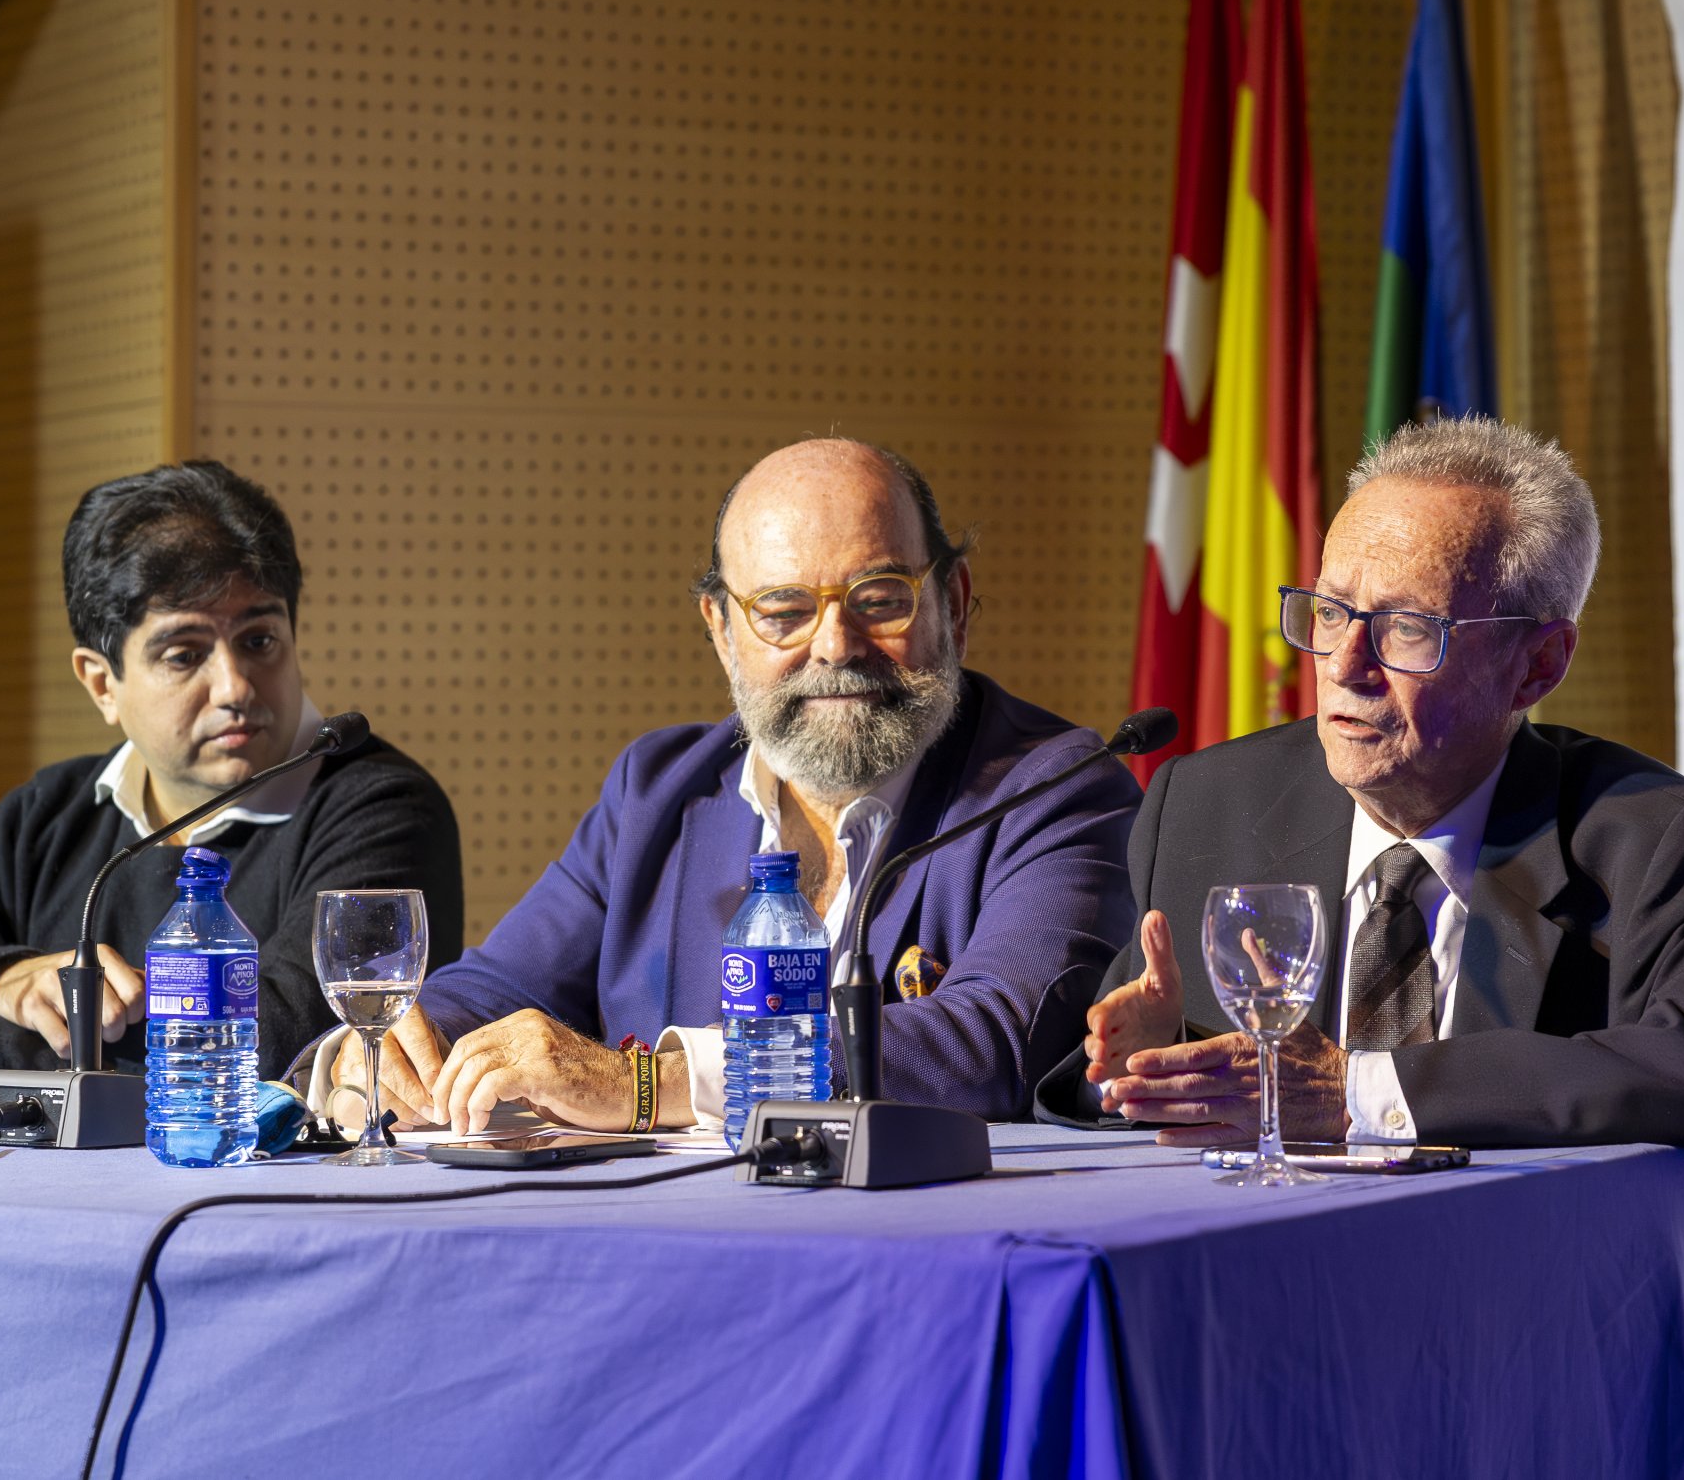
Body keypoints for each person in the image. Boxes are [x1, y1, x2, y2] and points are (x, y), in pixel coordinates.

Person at [1035, 415, 1684, 1480]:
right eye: (1326, 615)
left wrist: (1362, 1091)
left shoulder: (1648, 834)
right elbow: (1082, 1102)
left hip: (1558, 1382)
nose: (1344, 665)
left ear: (1536, 662)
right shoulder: (1207, 803)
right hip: (1260, 1371)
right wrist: (1138, 1069)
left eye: (1407, 629)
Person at [324, 438, 1138, 1133]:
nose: (835, 644)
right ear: (721, 631)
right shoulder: (656, 791)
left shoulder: (1058, 788)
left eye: (880, 599)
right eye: (783, 610)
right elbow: (496, 988)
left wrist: (651, 1085)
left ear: (953, 606)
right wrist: (377, 1058)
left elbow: (998, 1038)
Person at [0, 461, 461, 1098]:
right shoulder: (47, 815)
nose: (235, 687)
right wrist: (4, 979)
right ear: (103, 684)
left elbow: (277, 1039)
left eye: (260, 640)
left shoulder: (383, 805)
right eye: (185, 654)